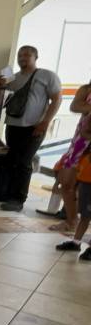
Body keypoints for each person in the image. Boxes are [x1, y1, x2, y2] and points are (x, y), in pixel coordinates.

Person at [0, 45, 62, 212]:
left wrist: (45, 122)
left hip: (34, 127)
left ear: (35, 57)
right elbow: (2, 95)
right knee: (13, 160)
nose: (22, 58)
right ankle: (8, 195)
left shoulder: (47, 75)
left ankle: (18, 200)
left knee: (24, 162)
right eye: (20, 55)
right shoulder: (13, 77)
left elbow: (57, 99)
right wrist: (0, 84)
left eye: (27, 55)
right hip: (13, 125)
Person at [50, 81, 91, 232]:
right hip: (80, 142)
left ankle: (79, 223)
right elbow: (75, 106)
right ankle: (71, 220)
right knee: (66, 182)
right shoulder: (86, 89)